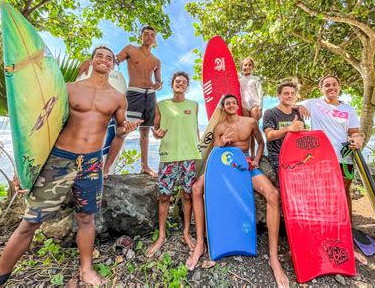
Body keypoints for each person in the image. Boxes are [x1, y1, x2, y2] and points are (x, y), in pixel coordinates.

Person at [0, 47, 141, 287]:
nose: (104, 59)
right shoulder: (69, 89)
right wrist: (22, 169)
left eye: (109, 57)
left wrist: (114, 152)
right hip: (60, 159)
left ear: (114, 65)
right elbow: (41, 127)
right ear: (92, 61)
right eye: (100, 55)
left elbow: (119, 133)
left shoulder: (117, 98)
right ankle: (0, 274)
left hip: (91, 163)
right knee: (31, 220)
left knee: (86, 218)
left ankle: (86, 270)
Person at [186, 94, 290, 288]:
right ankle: (200, 243)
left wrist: (257, 159)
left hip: (245, 164)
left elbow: (260, 142)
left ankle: (273, 258)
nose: (231, 105)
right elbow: (215, 150)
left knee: (273, 195)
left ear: (237, 105)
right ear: (224, 108)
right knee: (196, 188)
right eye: (228, 103)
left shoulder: (250, 122)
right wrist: (220, 143)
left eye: (234, 102)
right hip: (224, 165)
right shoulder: (219, 128)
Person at [299, 75, 367, 265]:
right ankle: (322, 232)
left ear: (339, 87)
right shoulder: (314, 103)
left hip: (344, 158)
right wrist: (300, 107)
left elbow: (354, 132)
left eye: (334, 84)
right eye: (327, 85)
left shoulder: (348, 109)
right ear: (321, 89)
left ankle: (346, 232)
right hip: (320, 158)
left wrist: (359, 138)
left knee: (344, 193)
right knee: (320, 195)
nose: (331, 87)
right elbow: (290, 103)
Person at [79, 26, 162, 178]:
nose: (149, 37)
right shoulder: (131, 49)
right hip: (133, 94)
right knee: (123, 131)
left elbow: (158, 81)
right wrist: (90, 63)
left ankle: (145, 166)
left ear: (155, 39)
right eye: (146, 34)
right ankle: (106, 168)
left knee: (144, 132)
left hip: (150, 96)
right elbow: (113, 60)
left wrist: (158, 85)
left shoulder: (156, 60)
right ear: (141, 36)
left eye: (152, 35)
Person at [147, 71, 201, 257]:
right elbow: (155, 129)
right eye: (177, 81)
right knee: (164, 196)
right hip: (169, 155)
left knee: (187, 196)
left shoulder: (194, 105)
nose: (180, 84)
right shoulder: (161, 105)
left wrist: (200, 149)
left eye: (184, 82)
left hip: (188, 156)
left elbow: (195, 130)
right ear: (173, 84)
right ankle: (162, 235)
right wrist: (156, 134)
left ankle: (186, 233)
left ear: (187, 86)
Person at [263, 80, 305, 172]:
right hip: (278, 158)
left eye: (292, 93)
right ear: (279, 95)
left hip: (296, 157)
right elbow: (269, 136)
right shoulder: (270, 113)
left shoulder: (298, 113)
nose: (290, 96)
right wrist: (289, 129)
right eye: (286, 93)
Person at [239, 57, 263, 156]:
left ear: (252, 67)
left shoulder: (256, 79)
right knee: (247, 131)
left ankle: (255, 153)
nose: (247, 67)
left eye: (249, 65)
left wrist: (260, 108)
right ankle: (248, 154)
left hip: (254, 106)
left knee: (254, 130)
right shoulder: (239, 80)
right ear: (241, 67)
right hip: (244, 106)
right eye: (245, 65)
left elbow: (260, 94)